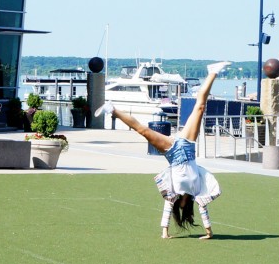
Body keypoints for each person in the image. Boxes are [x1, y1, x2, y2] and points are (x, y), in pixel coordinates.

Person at [95, 61, 230, 239]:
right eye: (182, 207)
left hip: (174, 153)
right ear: (186, 205)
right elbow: (204, 211)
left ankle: (112, 110)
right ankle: (213, 72)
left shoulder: (173, 195)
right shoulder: (197, 192)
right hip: (188, 147)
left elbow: (168, 211)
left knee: (143, 131)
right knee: (200, 106)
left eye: (179, 208)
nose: (180, 207)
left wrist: (164, 233)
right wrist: (209, 233)